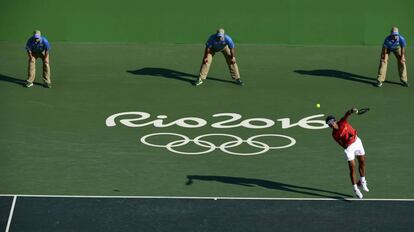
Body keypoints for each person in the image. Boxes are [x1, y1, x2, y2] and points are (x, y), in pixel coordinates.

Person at [325, 108, 369, 199]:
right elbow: (343, 145)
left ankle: (362, 181)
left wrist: (352, 110)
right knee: (352, 167)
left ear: (335, 121)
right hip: (349, 148)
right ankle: (355, 189)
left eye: (332, 122)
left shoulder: (343, 122)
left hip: (357, 142)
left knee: (362, 162)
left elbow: (347, 113)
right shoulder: (334, 135)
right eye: (329, 124)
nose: (331, 125)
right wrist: (348, 141)